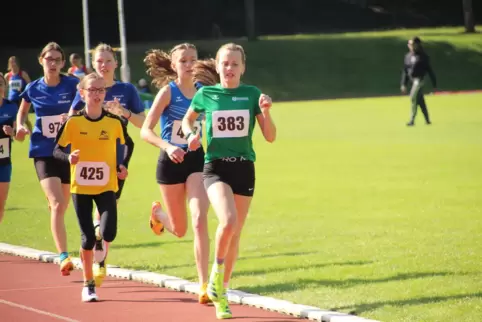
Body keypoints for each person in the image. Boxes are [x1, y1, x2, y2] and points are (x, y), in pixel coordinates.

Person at [182, 43, 277, 319]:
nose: (229, 68)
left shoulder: (252, 95)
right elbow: (188, 121)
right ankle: (215, 273)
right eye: (225, 63)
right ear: (217, 65)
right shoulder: (206, 94)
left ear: (243, 68)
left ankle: (221, 292)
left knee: (235, 234)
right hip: (216, 168)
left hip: (245, 168)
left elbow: (270, 136)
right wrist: (191, 135)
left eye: (235, 64)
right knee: (228, 221)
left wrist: (267, 111)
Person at [69, 43, 145, 287]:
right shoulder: (88, 88)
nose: (104, 65)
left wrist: (123, 112)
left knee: (110, 204)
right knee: (100, 203)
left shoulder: (127, 89)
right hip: (91, 152)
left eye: (108, 61)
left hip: (119, 150)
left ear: (116, 63)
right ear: (94, 65)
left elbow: (143, 123)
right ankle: (99, 259)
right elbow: (71, 118)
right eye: (99, 61)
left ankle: (101, 254)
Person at [141, 43, 211, 304]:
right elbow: (145, 131)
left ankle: (204, 285)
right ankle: (159, 214)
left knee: (199, 219)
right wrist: (168, 146)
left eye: (193, 59)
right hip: (170, 162)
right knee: (180, 229)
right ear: (174, 65)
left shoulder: (205, 92)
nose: (190, 64)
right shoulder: (167, 93)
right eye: (183, 61)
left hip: (195, 160)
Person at [53, 72, 128, 302]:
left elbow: (125, 146)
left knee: (109, 233)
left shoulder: (114, 123)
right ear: (82, 93)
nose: (97, 94)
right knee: (86, 239)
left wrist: (121, 165)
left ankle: (99, 235)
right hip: (81, 188)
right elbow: (56, 150)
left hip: (106, 186)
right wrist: (69, 159)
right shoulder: (73, 123)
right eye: (92, 90)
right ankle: (88, 284)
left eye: (101, 89)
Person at [15, 42, 79, 276]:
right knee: (56, 203)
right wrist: (21, 126)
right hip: (43, 151)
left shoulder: (73, 84)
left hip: (69, 152)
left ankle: (56, 219)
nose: (52, 63)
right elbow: (22, 112)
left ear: (63, 63)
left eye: (56, 59)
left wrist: (72, 117)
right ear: (41, 60)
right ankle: (63, 256)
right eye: (48, 58)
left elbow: (84, 105)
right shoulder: (32, 88)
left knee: (63, 206)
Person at [401, 37, 437, 126]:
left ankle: (412, 120)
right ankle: (427, 120)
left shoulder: (423, 57)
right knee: (420, 100)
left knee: (413, 97)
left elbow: (429, 70)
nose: (410, 46)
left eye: (412, 44)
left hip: (420, 80)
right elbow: (405, 71)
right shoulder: (408, 56)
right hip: (412, 81)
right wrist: (403, 84)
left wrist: (434, 83)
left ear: (417, 45)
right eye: (409, 44)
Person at [0, 73, 18, 223]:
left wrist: (13, 133)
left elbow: (19, 135)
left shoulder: (11, 107)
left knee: (0, 206)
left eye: (0, 83)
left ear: (5, 87)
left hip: (4, 162)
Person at [4, 56, 32, 131]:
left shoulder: (22, 73)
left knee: (25, 120)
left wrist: (24, 91)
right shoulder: (7, 76)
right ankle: (12, 135)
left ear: (17, 63)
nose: (13, 64)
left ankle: (32, 134)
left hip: (20, 99)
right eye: (11, 62)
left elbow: (30, 85)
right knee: (10, 118)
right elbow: (4, 88)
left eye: (14, 62)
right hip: (11, 100)